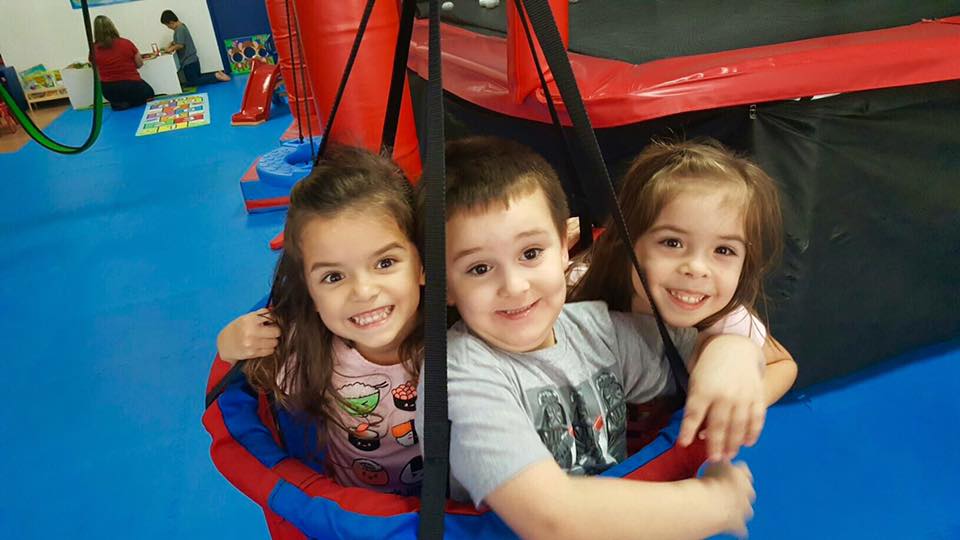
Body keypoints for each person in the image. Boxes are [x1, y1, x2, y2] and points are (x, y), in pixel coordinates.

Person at [418, 136, 764, 539]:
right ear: (443, 284)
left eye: (531, 254)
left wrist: (732, 351)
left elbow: (698, 355)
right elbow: (550, 519)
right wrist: (713, 505)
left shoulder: (595, 331)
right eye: (479, 269)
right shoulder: (459, 374)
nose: (514, 286)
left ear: (566, 246)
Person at [214, 146, 424, 496]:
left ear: (422, 266)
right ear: (310, 295)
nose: (363, 291)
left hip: (450, 511)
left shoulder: (454, 343)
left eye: (385, 263)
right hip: (355, 515)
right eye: (333, 277)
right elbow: (244, 373)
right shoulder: (309, 351)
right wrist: (228, 343)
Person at [570, 139, 798, 412]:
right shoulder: (579, 291)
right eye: (672, 243)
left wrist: (740, 405)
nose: (696, 267)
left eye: (723, 250)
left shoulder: (727, 320)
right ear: (628, 241)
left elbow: (783, 364)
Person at [92, 16, 155, 110]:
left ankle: (120, 103)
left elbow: (96, 72)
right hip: (132, 86)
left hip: (109, 90)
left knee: (118, 97)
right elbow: (139, 64)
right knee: (149, 92)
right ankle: (133, 102)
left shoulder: (93, 49)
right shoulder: (126, 43)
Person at [159, 10, 230, 87]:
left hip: (188, 61)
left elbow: (180, 45)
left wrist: (170, 49)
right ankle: (216, 74)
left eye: (167, 25)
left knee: (192, 82)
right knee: (197, 78)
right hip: (193, 60)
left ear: (171, 22)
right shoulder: (182, 27)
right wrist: (171, 43)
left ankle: (216, 76)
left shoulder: (179, 29)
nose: (168, 28)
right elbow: (180, 40)